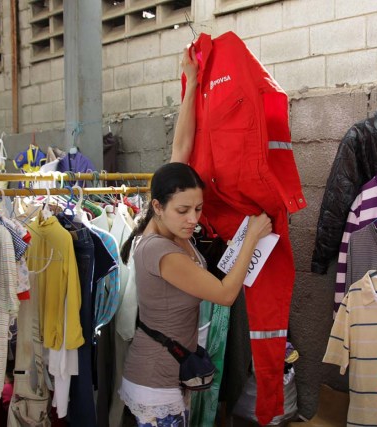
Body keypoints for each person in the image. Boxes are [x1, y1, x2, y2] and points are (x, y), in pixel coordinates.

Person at [117, 45, 273, 427]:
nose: (193, 220)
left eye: (198, 209)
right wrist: (251, 236)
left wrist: (191, 82)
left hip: (167, 374)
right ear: (157, 207)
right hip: (156, 383)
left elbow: (180, 148)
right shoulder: (162, 252)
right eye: (183, 211)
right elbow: (223, 293)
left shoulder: (165, 224)